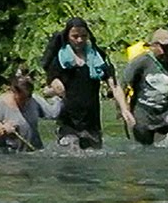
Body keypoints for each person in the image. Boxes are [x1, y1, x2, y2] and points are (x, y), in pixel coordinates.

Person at [41, 17, 135, 149]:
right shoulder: (60, 59)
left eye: (83, 36)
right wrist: (55, 87)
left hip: (92, 123)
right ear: (67, 37)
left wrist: (124, 109)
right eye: (75, 36)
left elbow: (114, 85)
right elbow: (48, 86)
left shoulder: (98, 58)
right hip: (69, 122)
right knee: (72, 154)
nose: (80, 40)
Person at [0, 70, 61, 152]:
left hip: (34, 151)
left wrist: (59, 97)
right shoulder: (0, 104)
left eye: (28, 98)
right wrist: (3, 130)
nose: (25, 102)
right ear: (13, 92)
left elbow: (53, 114)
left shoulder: (34, 100)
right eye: (21, 99)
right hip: (9, 154)